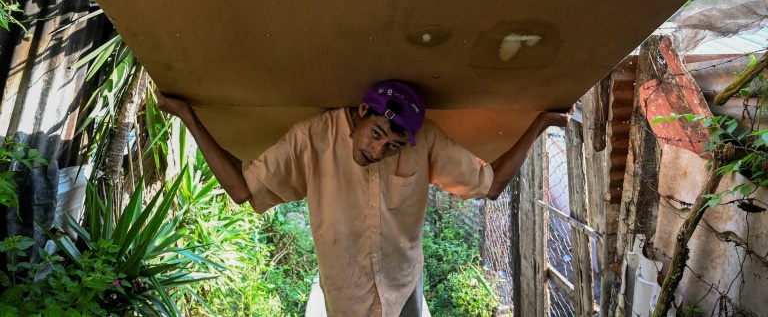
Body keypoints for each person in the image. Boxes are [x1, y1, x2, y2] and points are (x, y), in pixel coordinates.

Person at [157, 80, 567, 317]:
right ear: (360, 112)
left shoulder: (424, 140)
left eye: (393, 146)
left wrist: (539, 124)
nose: (378, 150)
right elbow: (243, 188)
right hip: (346, 293)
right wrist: (189, 117)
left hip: (403, 288)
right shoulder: (312, 137)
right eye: (376, 133)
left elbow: (489, 184)